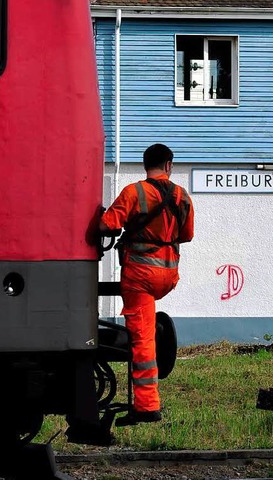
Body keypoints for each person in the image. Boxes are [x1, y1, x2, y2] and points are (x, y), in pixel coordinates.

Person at [99, 143, 194, 426]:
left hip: (141, 277)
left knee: (142, 341)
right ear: (169, 165)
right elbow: (187, 235)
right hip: (168, 275)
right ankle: (145, 403)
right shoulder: (183, 196)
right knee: (146, 332)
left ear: (145, 165)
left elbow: (106, 226)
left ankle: (147, 407)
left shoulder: (134, 192)